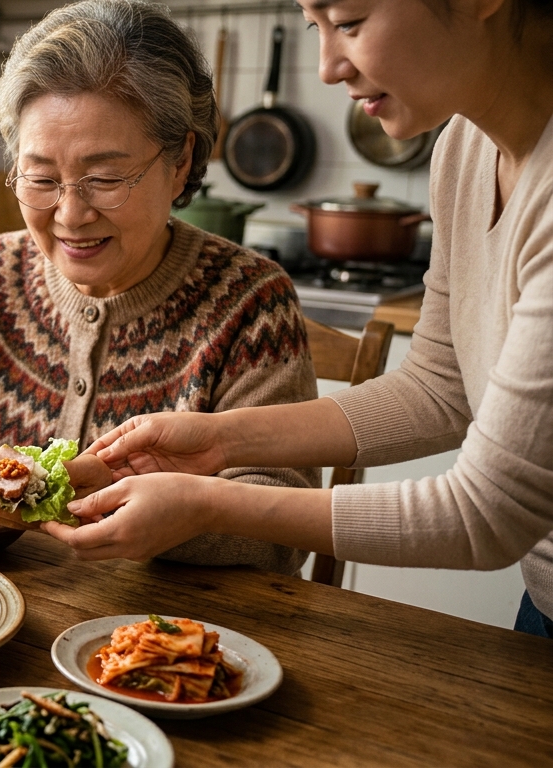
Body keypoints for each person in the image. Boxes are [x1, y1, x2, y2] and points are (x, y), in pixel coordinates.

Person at [55, 0, 553, 637]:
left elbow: (488, 516)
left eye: (348, 22)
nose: (326, 68)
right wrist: (221, 440)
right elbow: (439, 386)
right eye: (316, 26)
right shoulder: (464, 147)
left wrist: (210, 503)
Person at [0, 0, 321, 575]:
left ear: (181, 160)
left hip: (173, 633)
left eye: (105, 178)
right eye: (40, 178)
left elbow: (283, 525)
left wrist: (185, 516)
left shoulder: (250, 302)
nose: (70, 213)